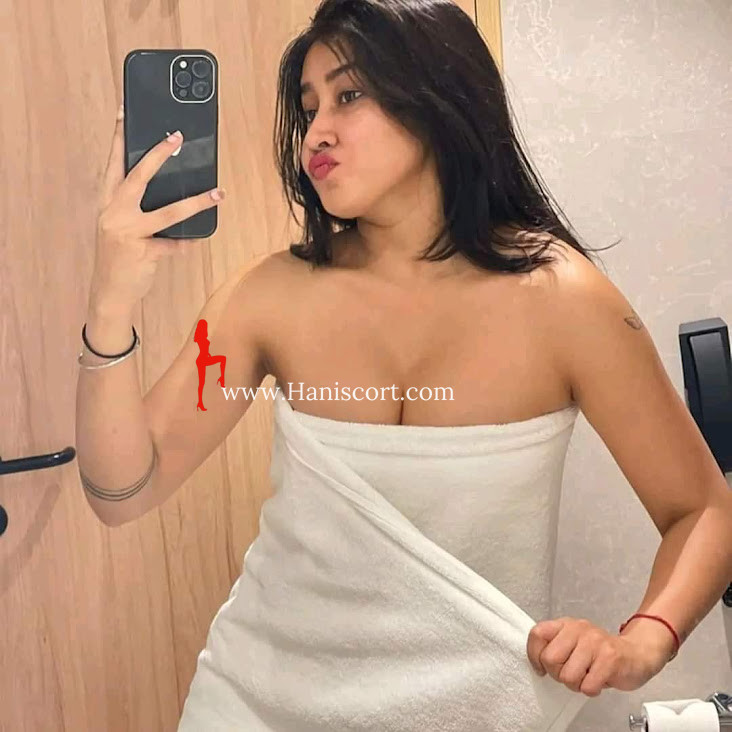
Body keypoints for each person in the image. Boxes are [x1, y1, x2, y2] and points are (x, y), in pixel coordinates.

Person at [76, 0, 656, 728]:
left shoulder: (566, 302)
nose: (316, 131)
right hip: (252, 703)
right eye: (308, 107)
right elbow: (121, 491)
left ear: (441, 98)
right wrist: (110, 301)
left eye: (348, 95)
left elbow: (701, 510)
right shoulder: (268, 297)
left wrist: (642, 643)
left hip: (474, 708)